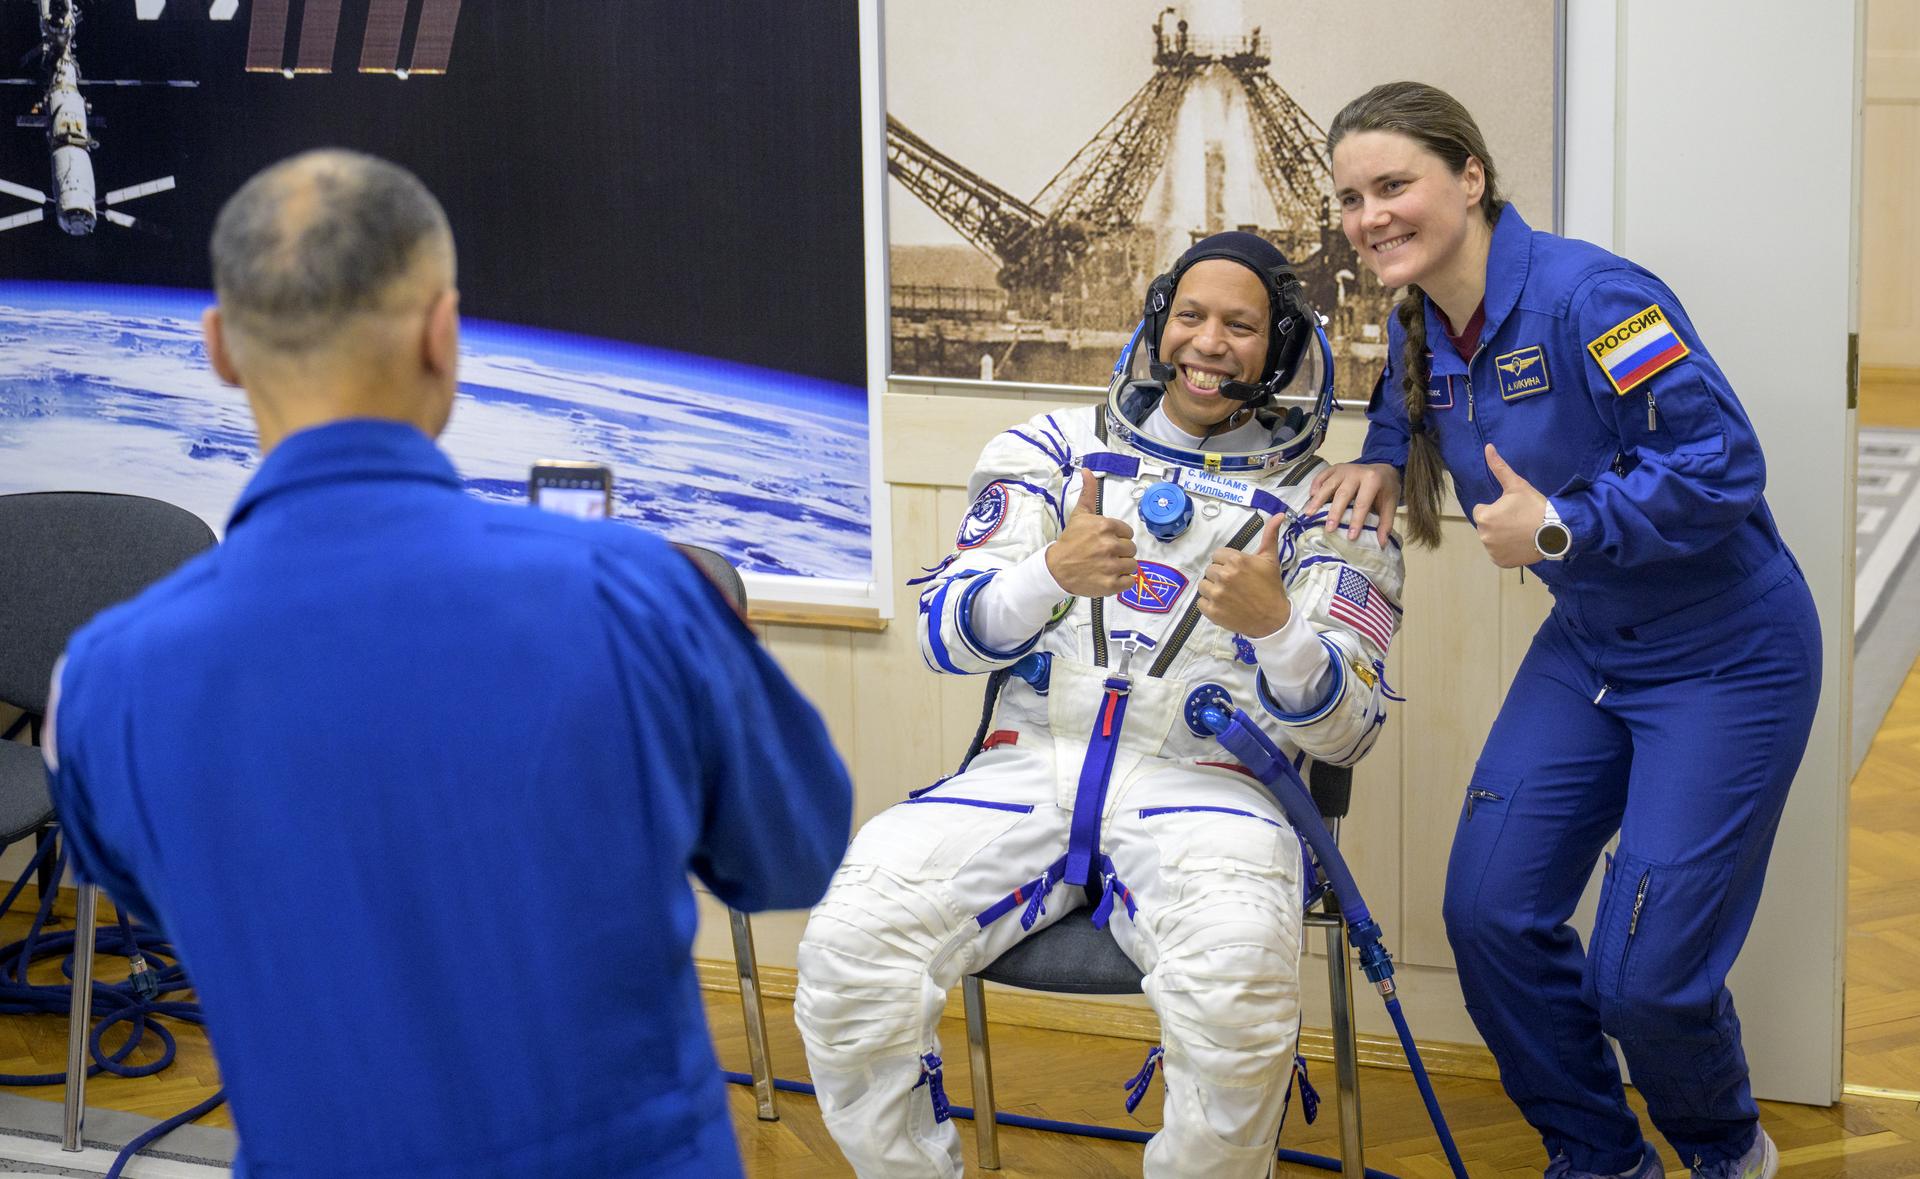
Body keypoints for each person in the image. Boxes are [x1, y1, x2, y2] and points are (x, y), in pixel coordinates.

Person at [41, 150, 853, 1178]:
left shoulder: (104, 683)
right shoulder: (637, 597)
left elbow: (171, 898)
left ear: (220, 350)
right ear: (443, 333)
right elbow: (795, 855)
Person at [793, 232, 1406, 1178]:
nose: (1209, 343)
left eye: (1241, 326)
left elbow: (1349, 731)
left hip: (1212, 790)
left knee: (1238, 991)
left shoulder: (1328, 504)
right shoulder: (1051, 452)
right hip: (1025, 767)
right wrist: (1047, 573)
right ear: (1159, 324)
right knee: (850, 945)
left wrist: (1279, 629)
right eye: (1190, 316)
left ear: (1281, 348)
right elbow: (944, 636)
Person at [1307, 81, 1819, 1179]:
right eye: (1351, 198)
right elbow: (1411, 400)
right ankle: (1598, 1158)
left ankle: (1729, 1152)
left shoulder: (1599, 299)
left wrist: (1562, 527)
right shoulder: (1418, 316)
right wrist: (1382, 458)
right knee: (1489, 915)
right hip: (1591, 647)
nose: (1369, 217)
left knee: (1645, 981)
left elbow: (1724, 463)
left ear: (1471, 177)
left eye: (1393, 185)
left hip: (1727, 654)